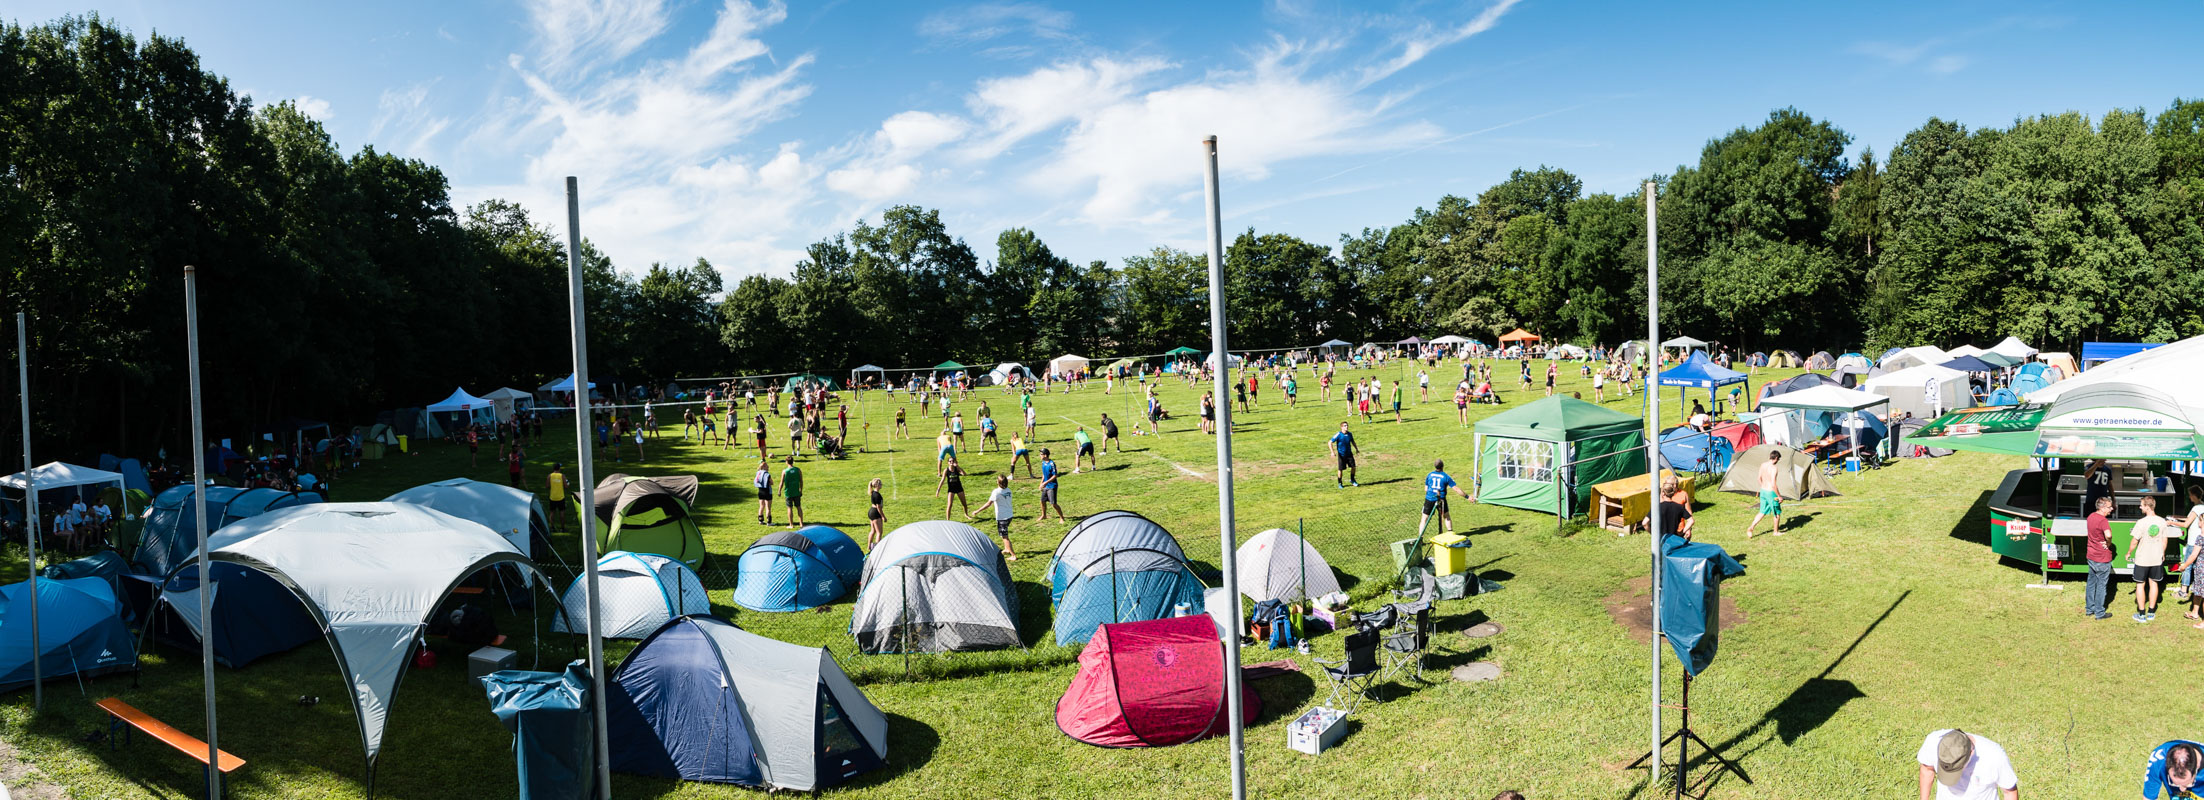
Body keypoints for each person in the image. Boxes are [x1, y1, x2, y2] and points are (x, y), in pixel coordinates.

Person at [1917, 728, 2018, 800]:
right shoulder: (1933, 742)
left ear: (1971, 752)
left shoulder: (1995, 756)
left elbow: (2009, 792)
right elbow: (1927, 770)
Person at [2132, 495, 2171, 623]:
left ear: (2147, 507)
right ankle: (2151, 613)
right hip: (2156, 558)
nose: (2140, 507)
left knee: (2140, 585)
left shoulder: (2141, 522)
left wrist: (2128, 552)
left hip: (2142, 559)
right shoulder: (2162, 521)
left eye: (2141, 505)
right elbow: (2165, 540)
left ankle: (2141, 614)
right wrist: (2162, 553)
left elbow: (2134, 541)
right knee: (2154, 583)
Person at [2174, 486, 2204, 624]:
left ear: (2193, 495)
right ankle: (2194, 609)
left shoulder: (2196, 508)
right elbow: (2188, 519)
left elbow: (2186, 524)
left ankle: (2183, 590)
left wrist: (2170, 522)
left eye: (2190, 495)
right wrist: (2177, 518)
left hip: (2193, 542)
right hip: (2198, 541)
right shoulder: (2202, 506)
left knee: (2188, 566)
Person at [970, 475, 1017, 559]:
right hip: (1009, 515)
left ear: (998, 482)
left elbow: (988, 504)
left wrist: (977, 511)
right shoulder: (1008, 490)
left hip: (1002, 518)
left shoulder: (996, 492)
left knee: (1005, 537)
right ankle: (1007, 549)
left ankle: (1013, 555)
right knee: (1003, 534)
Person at [2084, 495, 2116, 620]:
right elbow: (2108, 534)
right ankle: (2099, 612)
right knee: (2101, 585)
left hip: (2091, 555)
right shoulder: (2103, 521)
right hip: (2102, 557)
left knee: (2091, 582)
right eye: (2109, 507)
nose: (2111, 509)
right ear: (2102, 508)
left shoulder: (2091, 516)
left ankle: (2089, 609)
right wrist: (2109, 542)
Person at [1422, 460, 1468, 535]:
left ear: (1435, 466)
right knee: (1446, 516)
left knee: (1424, 519)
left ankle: (1420, 538)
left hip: (1429, 499)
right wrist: (1467, 496)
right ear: (1443, 466)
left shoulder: (1429, 475)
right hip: (1441, 500)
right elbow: (1456, 489)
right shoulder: (1446, 476)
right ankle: (1450, 533)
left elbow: (1426, 489)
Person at [1745, 449, 1783, 537]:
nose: (1778, 461)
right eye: (1778, 459)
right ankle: (1776, 532)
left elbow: (1759, 478)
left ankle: (1751, 527)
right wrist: (1779, 496)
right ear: (1776, 458)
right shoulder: (1774, 468)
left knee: (1762, 511)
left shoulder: (1763, 465)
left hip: (1763, 491)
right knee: (1777, 512)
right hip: (1771, 492)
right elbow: (1773, 484)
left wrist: (1763, 487)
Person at [1658, 475, 1693, 540]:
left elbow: (1689, 512)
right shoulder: (1664, 495)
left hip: (1679, 530)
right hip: (1665, 530)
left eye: (1667, 484)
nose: (1665, 486)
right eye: (1664, 484)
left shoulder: (1683, 494)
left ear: (1675, 485)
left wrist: (1688, 529)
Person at [1037, 448, 1065, 521]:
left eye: (1041, 454)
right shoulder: (1043, 463)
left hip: (1052, 486)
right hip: (1046, 486)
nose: (1040, 455)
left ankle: (1062, 517)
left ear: (1045, 455)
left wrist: (1045, 483)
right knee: (1042, 501)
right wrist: (1041, 483)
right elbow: (1044, 474)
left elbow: (1055, 475)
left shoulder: (1051, 464)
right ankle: (1044, 515)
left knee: (1053, 504)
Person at [1329, 421, 1359, 488]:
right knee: (1340, 469)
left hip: (1349, 454)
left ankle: (1352, 480)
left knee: (1353, 467)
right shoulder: (1338, 434)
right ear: (1341, 427)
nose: (1346, 427)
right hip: (1341, 455)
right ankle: (1340, 483)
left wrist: (1356, 449)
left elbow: (1353, 441)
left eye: (1347, 425)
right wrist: (1332, 452)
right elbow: (1330, 442)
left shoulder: (1350, 434)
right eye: (1345, 426)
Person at [780, 456, 804, 527]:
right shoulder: (798, 470)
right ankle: (801, 523)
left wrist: (779, 490)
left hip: (788, 492)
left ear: (786, 462)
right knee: (798, 507)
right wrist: (800, 489)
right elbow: (801, 481)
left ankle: (791, 524)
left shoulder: (785, 471)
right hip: (796, 491)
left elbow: (782, 482)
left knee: (789, 507)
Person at [545, 463, 570, 531]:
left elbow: (547, 486)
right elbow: (566, 486)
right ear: (559, 468)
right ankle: (562, 528)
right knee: (562, 513)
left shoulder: (550, 476)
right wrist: (567, 484)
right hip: (561, 497)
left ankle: (552, 527)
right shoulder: (562, 476)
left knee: (552, 513)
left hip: (552, 497)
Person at [865, 478, 886, 548]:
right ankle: (877, 549)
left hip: (871, 512)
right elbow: (878, 507)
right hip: (875, 513)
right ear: (877, 485)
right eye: (880, 484)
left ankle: (869, 546)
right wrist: (883, 516)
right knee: (879, 532)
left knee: (873, 531)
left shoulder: (873, 492)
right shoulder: (877, 495)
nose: (881, 485)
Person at [753, 461, 775, 525]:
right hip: (767, 491)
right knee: (768, 507)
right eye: (767, 466)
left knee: (761, 506)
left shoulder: (758, 473)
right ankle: (769, 522)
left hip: (760, 491)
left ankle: (760, 520)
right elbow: (772, 483)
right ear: (764, 467)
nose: (768, 467)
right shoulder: (767, 474)